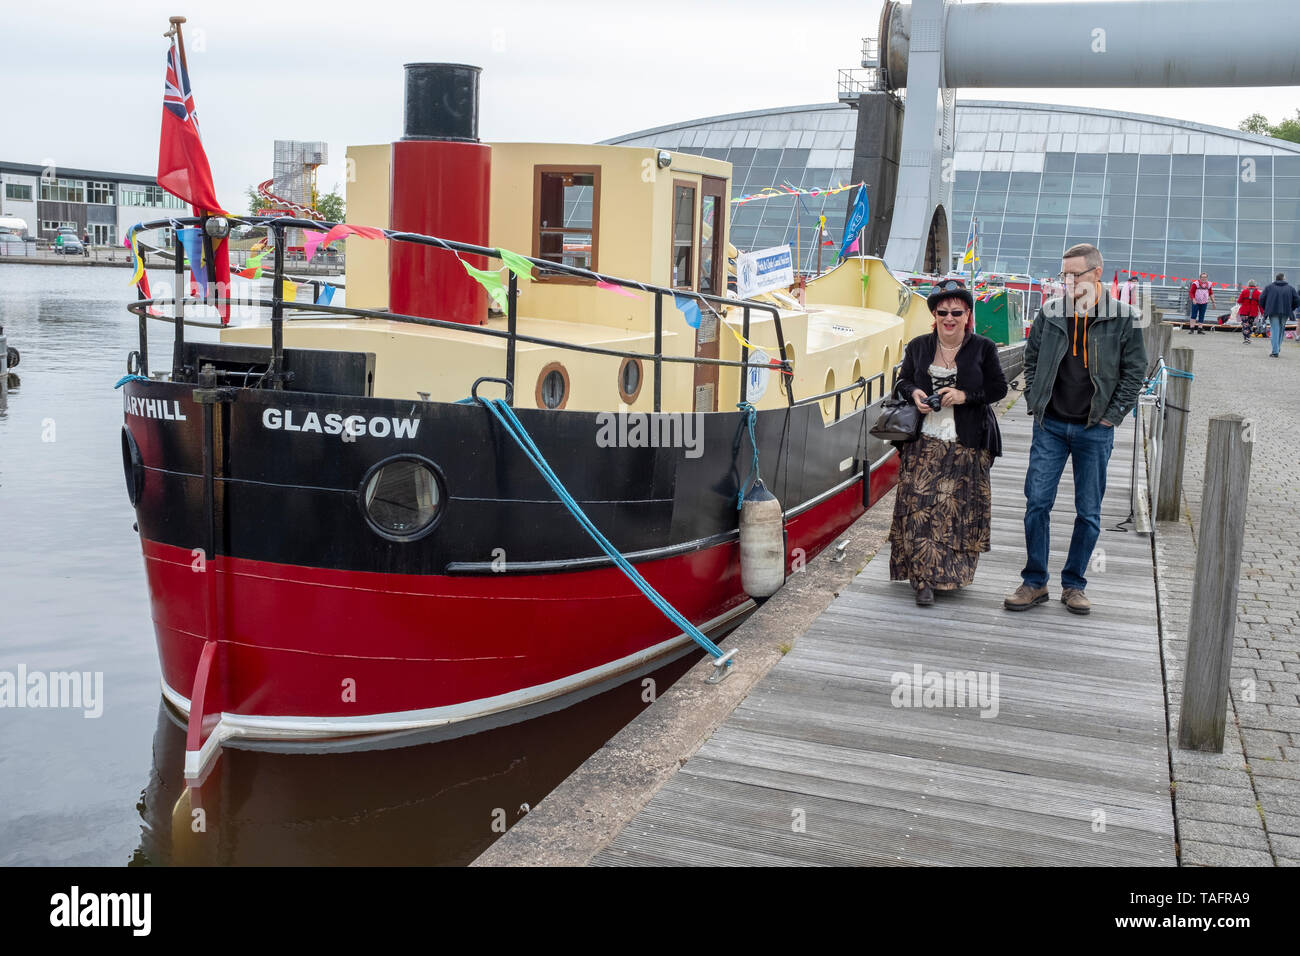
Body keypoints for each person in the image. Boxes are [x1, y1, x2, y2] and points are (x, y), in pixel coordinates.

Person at [1005, 243, 1147, 615]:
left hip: (1094, 428)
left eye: (1074, 275)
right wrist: (1036, 401)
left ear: (1097, 274)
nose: (1067, 281)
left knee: (1088, 511)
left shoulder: (1124, 318)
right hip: (1050, 424)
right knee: (1037, 503)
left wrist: (1111, 415)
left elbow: (1135, 373)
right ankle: (1035, 582)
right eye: (1063, 275)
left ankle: (1075, 584)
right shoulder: (1051, 312)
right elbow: (1031, 357)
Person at [889, 278, 1008, 607]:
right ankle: (922, 580)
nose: (949, 318)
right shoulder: (918, 346)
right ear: (935, 315)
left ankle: (948, 576)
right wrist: (914, 393)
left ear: (968, 314)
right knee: (919, 508)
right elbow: (903, 381)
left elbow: (999, 389)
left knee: (955, 511)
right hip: (924, 439)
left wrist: (963, 395)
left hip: (967, 442)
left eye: (957, 312)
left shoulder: (983, 347)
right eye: (943, 312)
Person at [1259, 272, 1299, 358]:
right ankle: (1277, 348)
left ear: (1276, 278)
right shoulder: (1290, 288)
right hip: (1285, 312)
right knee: (1281, 329)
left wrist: (1267, 308)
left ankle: (1275, 350)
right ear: (1284, 279)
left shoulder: (1269, 287)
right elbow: (1297, 300)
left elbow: (1261, 299)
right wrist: (1291, 308)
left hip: (1272, 311)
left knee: (1275, 329)